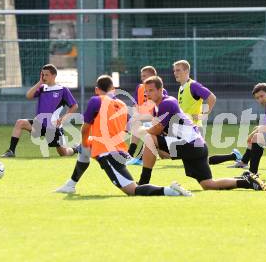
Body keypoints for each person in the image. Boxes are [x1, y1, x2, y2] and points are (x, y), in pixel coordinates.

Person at [56, 75, 191, 196]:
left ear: (97, 89)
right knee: (86, 147)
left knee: (133, 190)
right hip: (115, 149)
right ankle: (70, 184)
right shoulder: (122, 105)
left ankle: (170, 190)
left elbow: (85, 128)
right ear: (113, 89)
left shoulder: (96, 100)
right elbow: (131, 129)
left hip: (108, 153)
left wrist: (85, 142)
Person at [135, 75, 266, 191]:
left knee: (149, 137)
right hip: (196, 146)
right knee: (208, 184)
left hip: (190, 145)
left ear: (160, 90)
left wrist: (140, 130)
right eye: (146, 91)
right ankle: (246, 181)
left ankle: (143, 182)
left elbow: (156, 131)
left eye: (151, 90)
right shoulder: (159, 107)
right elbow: (161, 134)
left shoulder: (166, 103)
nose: (147, 94)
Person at [1, 64, 79, 158]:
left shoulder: (62, 90)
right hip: (39, 124)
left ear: (54, 76)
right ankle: (11, 151)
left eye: (47, 75)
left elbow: (74, 106)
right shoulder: (42, 88)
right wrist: (39, 82)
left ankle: (76, 149)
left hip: (54, 127)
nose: (44, 77)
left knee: (63, 153)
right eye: (43, 74)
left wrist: (63, 119)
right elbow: (28, 96)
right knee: (20, 122)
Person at [126, 66, 168, 165]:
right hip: (143, 118)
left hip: (155, 121)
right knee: (135, 122)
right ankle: (130, 154)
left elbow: (159, 114)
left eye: (145, 76)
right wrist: (135, 116)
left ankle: (142, 157)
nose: (142, 78)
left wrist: (139, 117)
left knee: (165, 155)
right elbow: (135, 105)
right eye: (141, 76)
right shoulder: (139, 88)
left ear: (153, 76)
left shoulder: (161, 91)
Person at [173, 60, 216, 128]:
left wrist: (203, 115)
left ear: (186, 71)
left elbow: (212, 98)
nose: (175, 73)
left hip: (194, 128)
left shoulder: (193, 85)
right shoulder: (181, 87)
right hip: (185, 128)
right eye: (174, 71)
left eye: (178, 70)